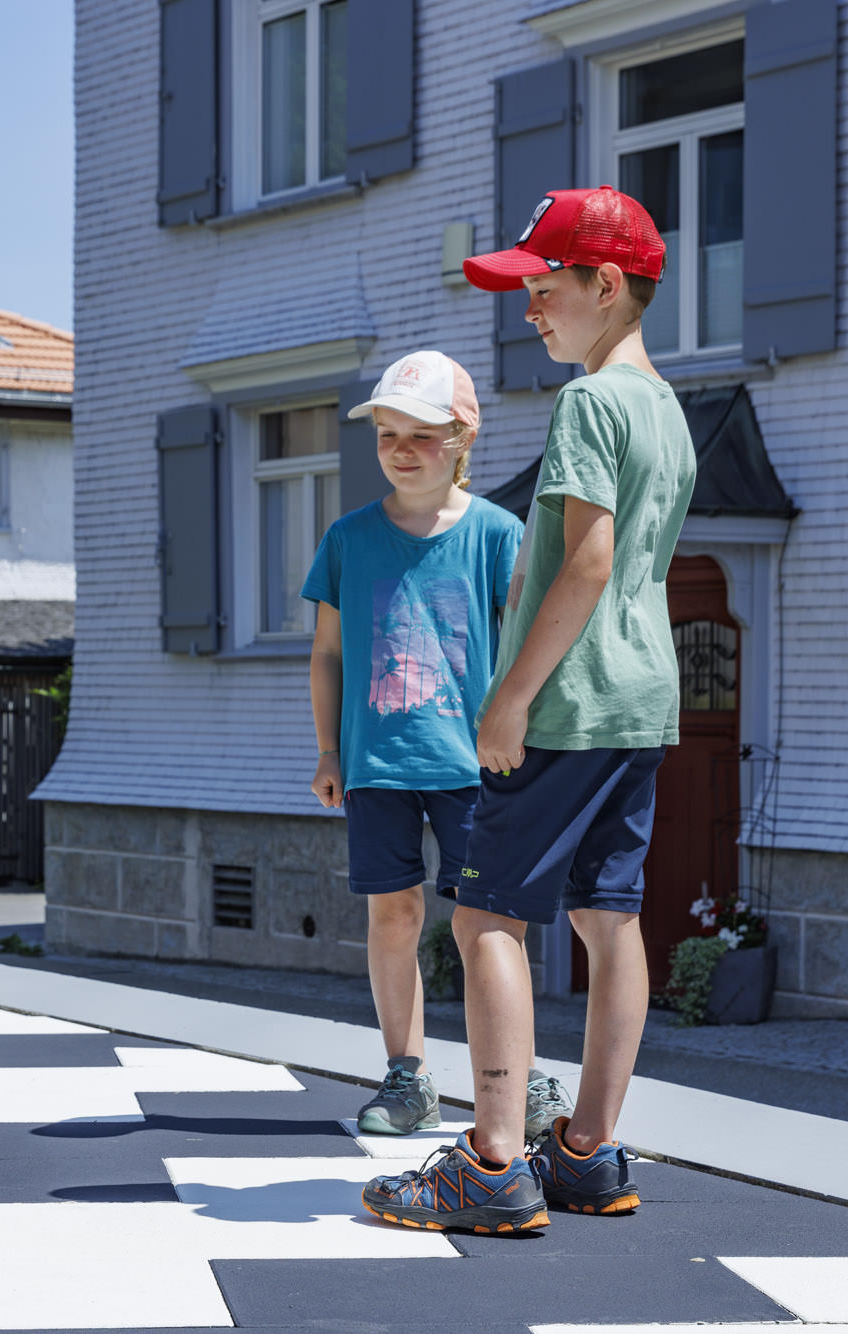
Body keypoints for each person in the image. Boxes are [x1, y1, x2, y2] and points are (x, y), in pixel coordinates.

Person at [362, 186, 695, 1233]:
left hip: (567, 702)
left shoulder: (590, 403)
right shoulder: (667, 408)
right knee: (608, 915)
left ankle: (494, 1160)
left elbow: (586, 560)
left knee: (484, 916)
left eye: (546, 288)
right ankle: (586, 1152)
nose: (530, 308)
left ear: (608, 285)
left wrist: (507, 701)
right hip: (641, 697)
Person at [302, 350, 573, 1140]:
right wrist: (328, 750)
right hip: (376, 767)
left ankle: (521, 1078)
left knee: (491, 926)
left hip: (475, 766)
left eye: (422, 434)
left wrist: (532, 738)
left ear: (462, 439)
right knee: (394, 915)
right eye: (388, 434)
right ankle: (407, 1077)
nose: (401, 450)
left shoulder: (496, 534)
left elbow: (528, 646)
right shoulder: (348, 539)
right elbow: (327, 654)